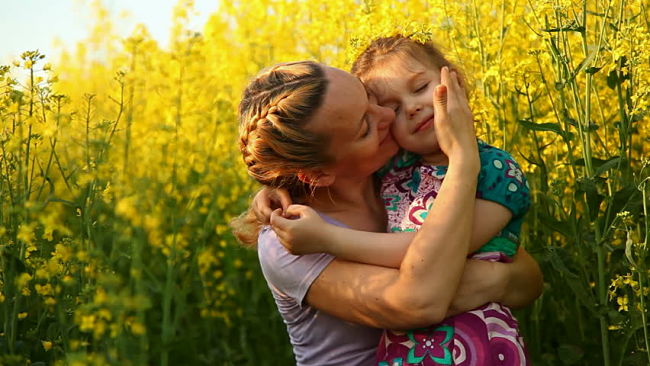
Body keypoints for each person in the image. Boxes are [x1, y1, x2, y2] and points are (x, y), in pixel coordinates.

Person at [231, 60, 542, 366]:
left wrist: (491, 278)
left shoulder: (405, 177)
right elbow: (421, 303)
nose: (387, 116)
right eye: (366, 128)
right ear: (316, 175)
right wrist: (463, 159)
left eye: (372, 99)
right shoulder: (291, 239)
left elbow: (526, 276)